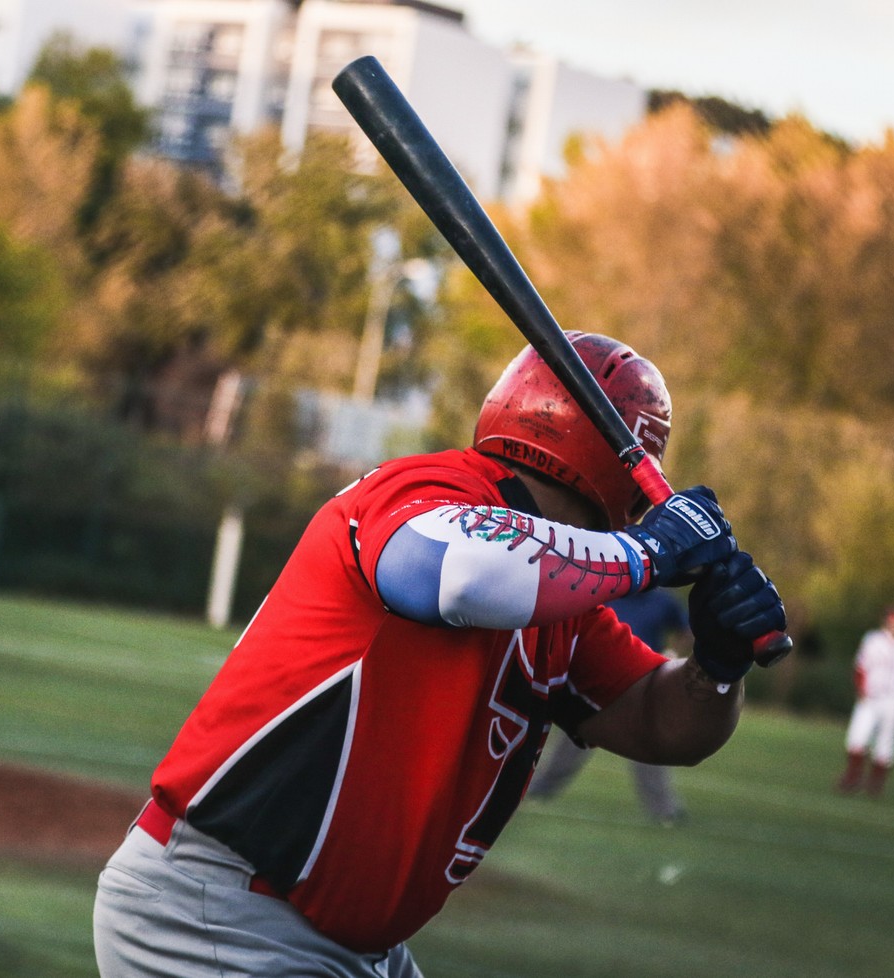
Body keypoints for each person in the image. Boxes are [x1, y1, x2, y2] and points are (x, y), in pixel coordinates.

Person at [91, 334, 787, 978]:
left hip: (357, 947)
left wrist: (717, 666)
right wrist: (650, 553)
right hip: (220, 913)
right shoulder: (428, 490)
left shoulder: (568, 602)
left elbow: (662, 725)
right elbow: (444, 573)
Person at [523, 587, 693, 826]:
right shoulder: (609, 591)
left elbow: (686, 630)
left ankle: (665, 810)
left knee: (647, 746)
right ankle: (537, 792)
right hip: (597, 680)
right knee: (572, 743)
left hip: (642, 683)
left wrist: (673, 653)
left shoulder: (662, 600)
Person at [835, 605, 894, 798]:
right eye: (892, 621)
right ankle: (853, 778)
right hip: (871, 696)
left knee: (886, 743)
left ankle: (875, 785)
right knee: (857, 737)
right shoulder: (873, 640)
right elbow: (860, 667)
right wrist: (860, 689)